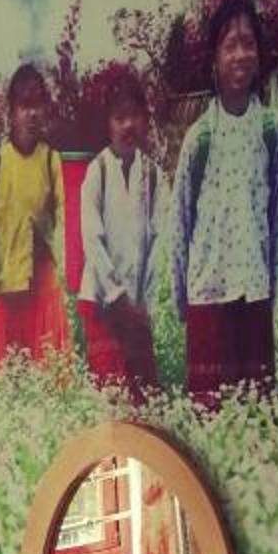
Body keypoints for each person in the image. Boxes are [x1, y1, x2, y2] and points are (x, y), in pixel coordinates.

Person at [169, 0, 278, 405]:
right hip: (208, 298)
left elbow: (276, 217)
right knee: (210, 418)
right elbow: (180, 222)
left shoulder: (271, 130)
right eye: (230, 45)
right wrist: (182, 302)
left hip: (254, 293)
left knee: (257, 415)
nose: (240, 55)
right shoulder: (199, 137)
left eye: (248, 43)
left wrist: (271, 290)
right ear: (215, 60)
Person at [0, 63, 69, 368]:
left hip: (45, 287)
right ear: (11, 113)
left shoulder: (52, 161)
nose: (32, 114)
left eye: (38, 105)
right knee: (6, 379)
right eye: (25, 106)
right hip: (7, 288)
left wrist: (66, 266)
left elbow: (66, 220)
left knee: (51, 378)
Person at [76, 71, 163, 398]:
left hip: (137, 309)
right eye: (119, 117)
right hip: (101, 302)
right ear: (108, 124)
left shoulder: (153, 175)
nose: (128, 125)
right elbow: (92, 238)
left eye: (135, 116)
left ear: (145, 120)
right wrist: (116, 295)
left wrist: (144, 303)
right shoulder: (97, 171)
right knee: (111, 395)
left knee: (142, 397)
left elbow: (159, 242)